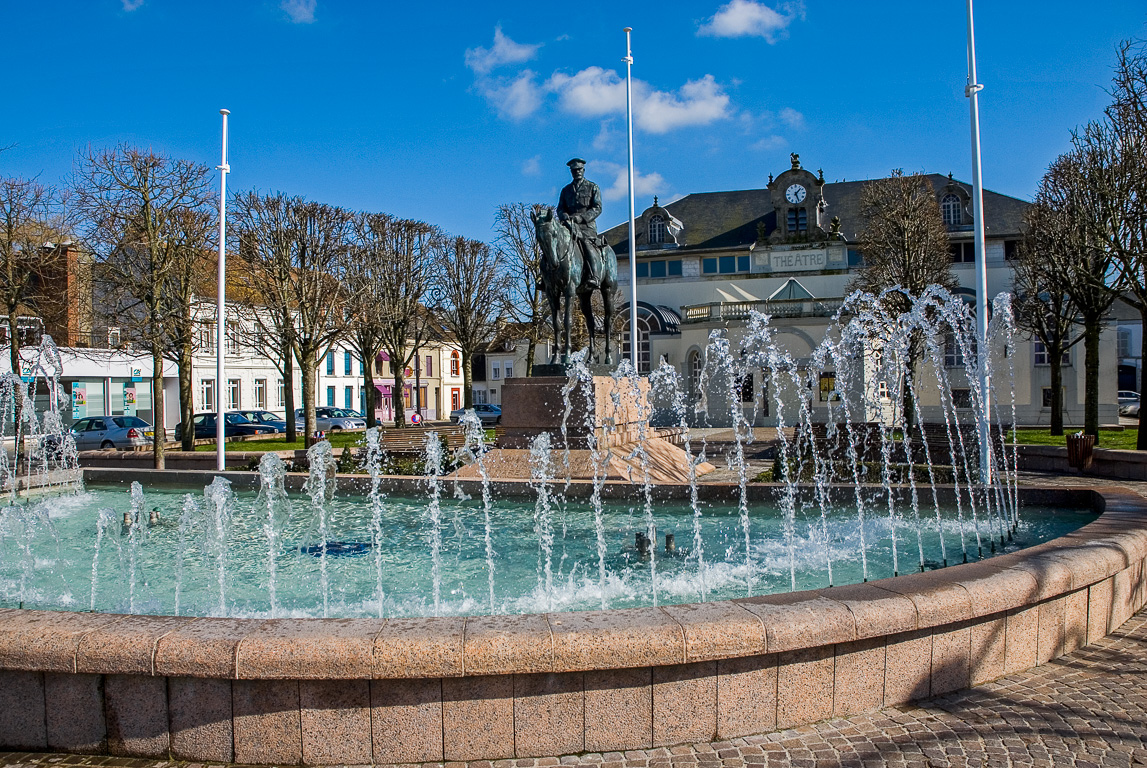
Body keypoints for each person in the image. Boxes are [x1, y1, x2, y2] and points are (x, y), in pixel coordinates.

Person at [557, 157, 603, 290]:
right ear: (571, 172)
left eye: (579, 170)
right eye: (574, 170)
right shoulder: (566, 190)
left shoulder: (592, 187)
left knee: (585, 243)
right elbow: (560, 208)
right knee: (553, 242)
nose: (577, 172)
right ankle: (546, 277)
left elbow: (597, 208)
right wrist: (564, 215)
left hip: (586, 226)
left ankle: (594, 275)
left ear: (584, 170)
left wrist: (582, 218)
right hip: (568, 225)